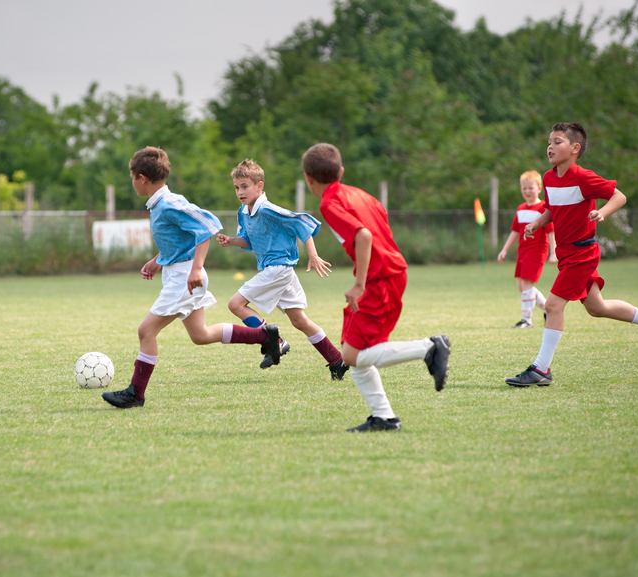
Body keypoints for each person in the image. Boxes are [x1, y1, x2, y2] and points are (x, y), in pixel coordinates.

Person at [101, 147, 283, 409]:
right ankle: (264, 336)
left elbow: (207, 226)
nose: (132, 183)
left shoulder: (169, 204)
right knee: (200, 334)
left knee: (146, 331)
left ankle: (135, 394)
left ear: (142, 178)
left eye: (132, 178)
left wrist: (196, 268)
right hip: (180, 274)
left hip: (185, 278)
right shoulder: (160, 203)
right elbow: (179, 240)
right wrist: (157, 261)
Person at [506, 123, 638, 387]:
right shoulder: (549, 178)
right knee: (597, 308)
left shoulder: (583, 177)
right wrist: (537, 223)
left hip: (582, 253)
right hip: (567, 254)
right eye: (549, 142)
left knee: (552, 306)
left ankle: (541, 370)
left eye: (557, 142)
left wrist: (603, 212)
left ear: (575, 149)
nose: (550, 147)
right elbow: (553, 210)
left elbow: (619, 197)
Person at [302, 143, 451, 432]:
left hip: (378, 279)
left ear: (309, 179)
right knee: (352, 350)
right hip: (390, 273)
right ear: (341, 172)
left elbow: (365, 236)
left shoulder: (329, 203)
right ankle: (383, 417)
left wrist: (359, 284)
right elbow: (381, 227)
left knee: (352, 355)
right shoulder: (361, 194)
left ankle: (429, 347)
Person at [215, 159, 349, 379]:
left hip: (278, 270)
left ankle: (275, 341)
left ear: (259, 186)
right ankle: (336, 360)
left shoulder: (267, 209)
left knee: (235, 304)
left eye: (245, 186)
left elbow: (302, 224)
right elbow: (249, 241)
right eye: (236, 187)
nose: (240, 191)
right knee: (299, 320)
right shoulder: (244, 211)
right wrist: (231, 240)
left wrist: (313, 255)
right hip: (279, 272)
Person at [497, 170, 557, 328]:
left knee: (527, 287)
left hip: (537, 251)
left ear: (539, 188)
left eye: (531, 188)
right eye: (524, 188)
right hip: (522, 252)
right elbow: (515, 232)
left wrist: (553, 253)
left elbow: (551, 232)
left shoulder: (544, 208)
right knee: (521, 287)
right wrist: (504, 250)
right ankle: (548, 309)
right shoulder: (521, 208)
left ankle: (526, 320)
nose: (527, 191)